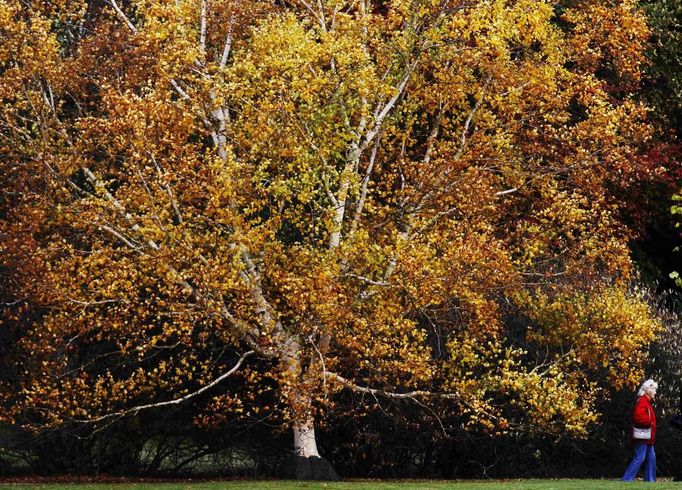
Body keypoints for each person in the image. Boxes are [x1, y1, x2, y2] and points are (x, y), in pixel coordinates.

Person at [622, 379, 658, 482]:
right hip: (642, 436)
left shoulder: (646, 402)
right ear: (648, 391)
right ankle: (627, 479)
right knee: (640, 458)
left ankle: (650, 481)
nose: (655, 392)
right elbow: (637, 418)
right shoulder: (642, 401)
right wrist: (650, 422)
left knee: (651, 458)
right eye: (654, 390)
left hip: (647, 437)